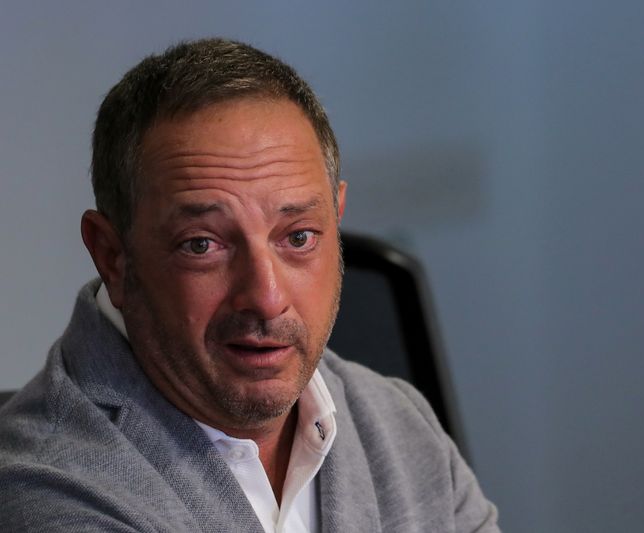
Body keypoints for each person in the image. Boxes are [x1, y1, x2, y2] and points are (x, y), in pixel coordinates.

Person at [0, 38, 498, 532]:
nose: (267, 296)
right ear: (113, 256)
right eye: (202, 245)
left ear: (337, 219)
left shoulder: (401, 428)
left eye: (298, 237)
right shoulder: (51, 492)